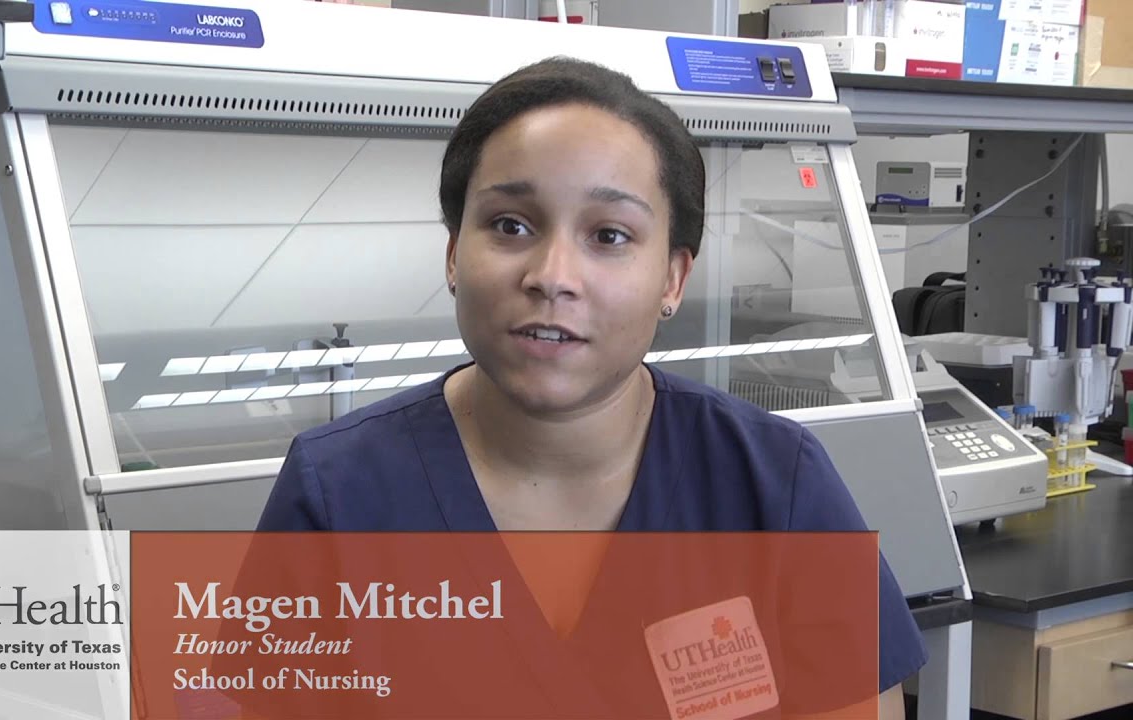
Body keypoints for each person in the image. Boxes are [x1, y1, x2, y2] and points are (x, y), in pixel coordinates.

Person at [257, 56, 926, 718]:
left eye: (609, 235)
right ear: (454, 253)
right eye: (510, 225)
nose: (553, 275)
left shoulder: (777, 486)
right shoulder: (337, 495)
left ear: (672, 278)